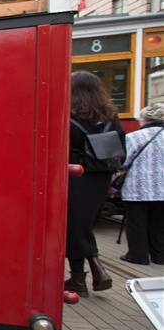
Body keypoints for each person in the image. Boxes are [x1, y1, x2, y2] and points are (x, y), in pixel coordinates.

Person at [65, 71, 125, 297]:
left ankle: (81, 278)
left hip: (76, 176)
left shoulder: (69, 116)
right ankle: (89, 274)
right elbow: (122, 151)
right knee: (83, 226)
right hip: (101, 180)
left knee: (74, 228)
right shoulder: (110, 116)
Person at [120, 103, 164, 265]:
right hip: (162, 189)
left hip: (137, 187)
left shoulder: (134, 137)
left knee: (137, 222)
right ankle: (159, 256)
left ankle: (138, 255)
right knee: (159, 223)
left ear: (144, 119)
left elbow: (123, 161)